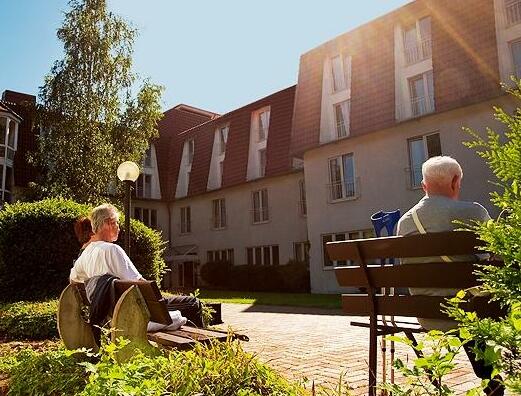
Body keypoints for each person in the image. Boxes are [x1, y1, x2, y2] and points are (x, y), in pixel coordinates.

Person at [397, 156, 503, 396]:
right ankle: (492, 380)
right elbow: (498, 257)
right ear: (456, 182)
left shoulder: (404, 223)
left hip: (427, 314)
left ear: (424, 186)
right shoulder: (473, 212)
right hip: (469, 314)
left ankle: (491, 381)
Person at [70, 204, 203, 327]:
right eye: (117, 223)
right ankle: (199, 346)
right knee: (192, 303)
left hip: (111, 315)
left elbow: (73, 280)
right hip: (136, 310)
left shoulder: (85, 254)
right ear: (109, 223)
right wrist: (160, 299)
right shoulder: (112, 250)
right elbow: (140, 285)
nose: (119, 227)